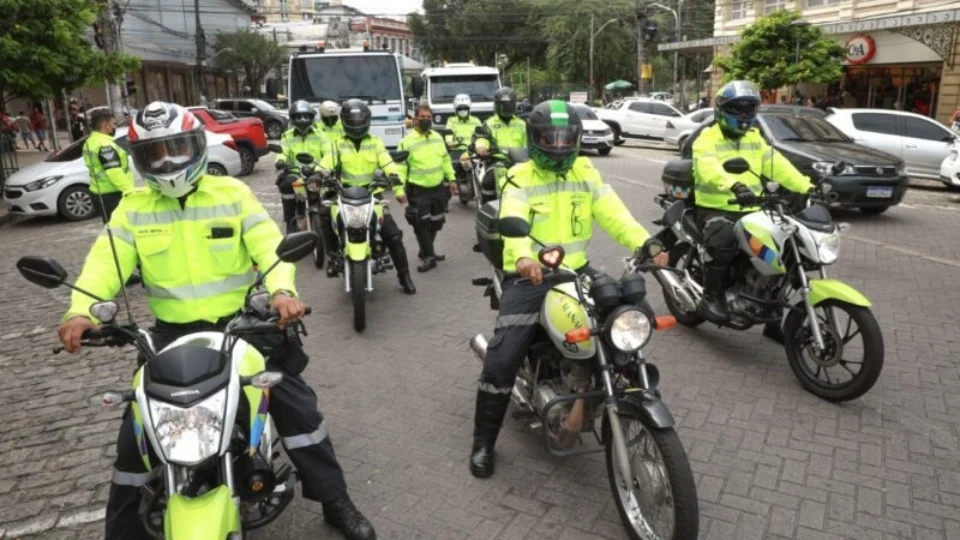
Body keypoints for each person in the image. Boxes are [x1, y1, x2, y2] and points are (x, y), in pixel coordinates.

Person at [56, 102, 376, 540]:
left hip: (243, 327)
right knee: (136, 437)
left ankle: (336, 500)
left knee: (297, 408)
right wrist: (81, 310)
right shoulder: (131, 210)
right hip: (169, 337)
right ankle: (122, 532)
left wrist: (282, 292)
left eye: (175, 149)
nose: (167, 162)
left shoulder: (232, 195)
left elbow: (270, 248)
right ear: (139, 159)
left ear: (197, 147)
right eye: (154, 154)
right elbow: (102, 267)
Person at [469, 100, 669, 478]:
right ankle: (483, 442)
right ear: (534, 139)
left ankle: (607, 387)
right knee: (503, 357)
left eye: (566, 139)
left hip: (576, 270)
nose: (559, 146)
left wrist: (646, 243)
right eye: (550, 138)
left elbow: (614, 213)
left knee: (619, 319)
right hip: (531, 275)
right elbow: (512, 218)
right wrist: (522, 258)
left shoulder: (585, 171)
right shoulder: (519, 177)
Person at [691, 81, 812, 337]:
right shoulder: (706, 139)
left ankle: (771, 317)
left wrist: (806, 186)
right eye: (737, 108)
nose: (744, 116)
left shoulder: (755, 139)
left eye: (749, 109)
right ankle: (710, 297)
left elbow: (777, 165)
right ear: (722, 110)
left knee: (786, 248)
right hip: (715, 208)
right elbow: (707, 168)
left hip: (753, 208)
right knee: (724, 241)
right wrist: (733, 185)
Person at [318, 99, 416, 294]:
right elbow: (326, 161)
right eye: (352, 120)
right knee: (324, 214)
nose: (356, 124)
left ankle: (404, 276)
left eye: (359, 120)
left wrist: (394, 178)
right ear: (344, 121)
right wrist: (318, 173)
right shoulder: (336, 144)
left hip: (372, 195)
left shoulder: (375, 142)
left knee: (393, 235)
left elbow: (387, 161)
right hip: (344, 195)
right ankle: (333, 257)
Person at [397, 104, 457, 272]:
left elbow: (445, 160)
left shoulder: (438, 137)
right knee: (421, 223)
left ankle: (425, 250)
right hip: (418, 189)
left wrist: (452, 179)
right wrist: (398, 190)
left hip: (437, 188)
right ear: (415, 119)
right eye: (422, 117)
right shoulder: (406, 142)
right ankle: (429, 256)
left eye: (428, 118)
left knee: (437, 222)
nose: (426, 120)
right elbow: (400, 167)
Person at [275, 100, 330, 234]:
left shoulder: (321, 134)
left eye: (306, 116)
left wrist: (321, 169)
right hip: (296, 174)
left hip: (316, 172)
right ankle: (290, 222)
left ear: (311, 117)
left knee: (329, 199)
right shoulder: (287, 136)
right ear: (293, 118)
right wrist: (280, 161)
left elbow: (329, 153)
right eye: (298, 116)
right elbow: (283, 152)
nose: (302, 119)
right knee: (286, 184)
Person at [473, 87, 527, 204]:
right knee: (488, 181)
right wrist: (481, 147)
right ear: (497, 105)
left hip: (521, 163)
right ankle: (488, 208)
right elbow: (482, 138)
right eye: (503, 104)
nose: (506, 107)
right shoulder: (489, 123)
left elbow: (529, 142)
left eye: (508, 104)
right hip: (498, 161)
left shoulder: (522, 124)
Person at [83, 109, 134, 221]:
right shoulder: (105, 145)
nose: (114, 127)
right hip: (112, 195)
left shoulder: (90, 141)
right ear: (106, 125)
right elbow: (114, 172)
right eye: (113, 124)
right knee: (121, 231)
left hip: (100, 193)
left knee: (112, 229)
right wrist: (130, 191)